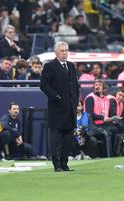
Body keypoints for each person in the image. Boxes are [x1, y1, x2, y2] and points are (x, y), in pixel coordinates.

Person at [40, 41, 80, 172]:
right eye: (62, 50)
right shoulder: (50, 66)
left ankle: (64, 163)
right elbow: (44, 85)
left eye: (66, 50)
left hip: (70, 109)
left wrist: (75, 101)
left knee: (68, 138)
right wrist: (55, 97)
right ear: (56, 52)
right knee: (56, 138)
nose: (65, 53)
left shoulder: (71, 66)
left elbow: (75, 85)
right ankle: (56, 165)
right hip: (57, 108)